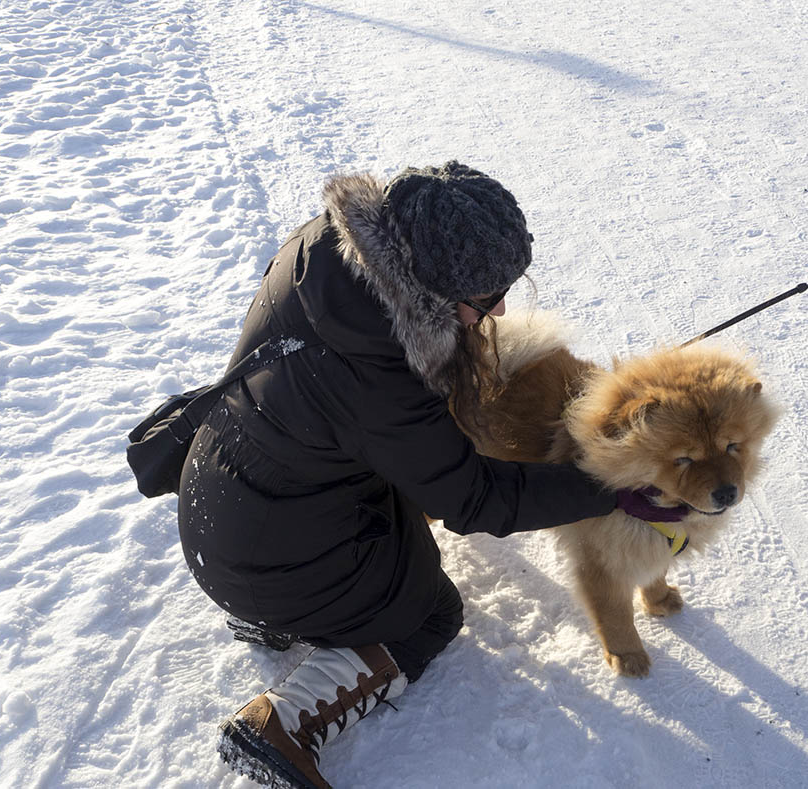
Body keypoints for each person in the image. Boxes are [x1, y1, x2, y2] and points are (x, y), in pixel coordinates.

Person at [178, 162, 669, 789]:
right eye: (482, 301)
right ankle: (282, 721)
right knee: (431, 613)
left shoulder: (328, 255)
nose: (488, 316)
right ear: (433, 288)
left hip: (224, 497)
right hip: (268, 558)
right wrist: (608, 485)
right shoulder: (377, 376)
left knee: (401, 512)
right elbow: (475, 501)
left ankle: (283, 616)